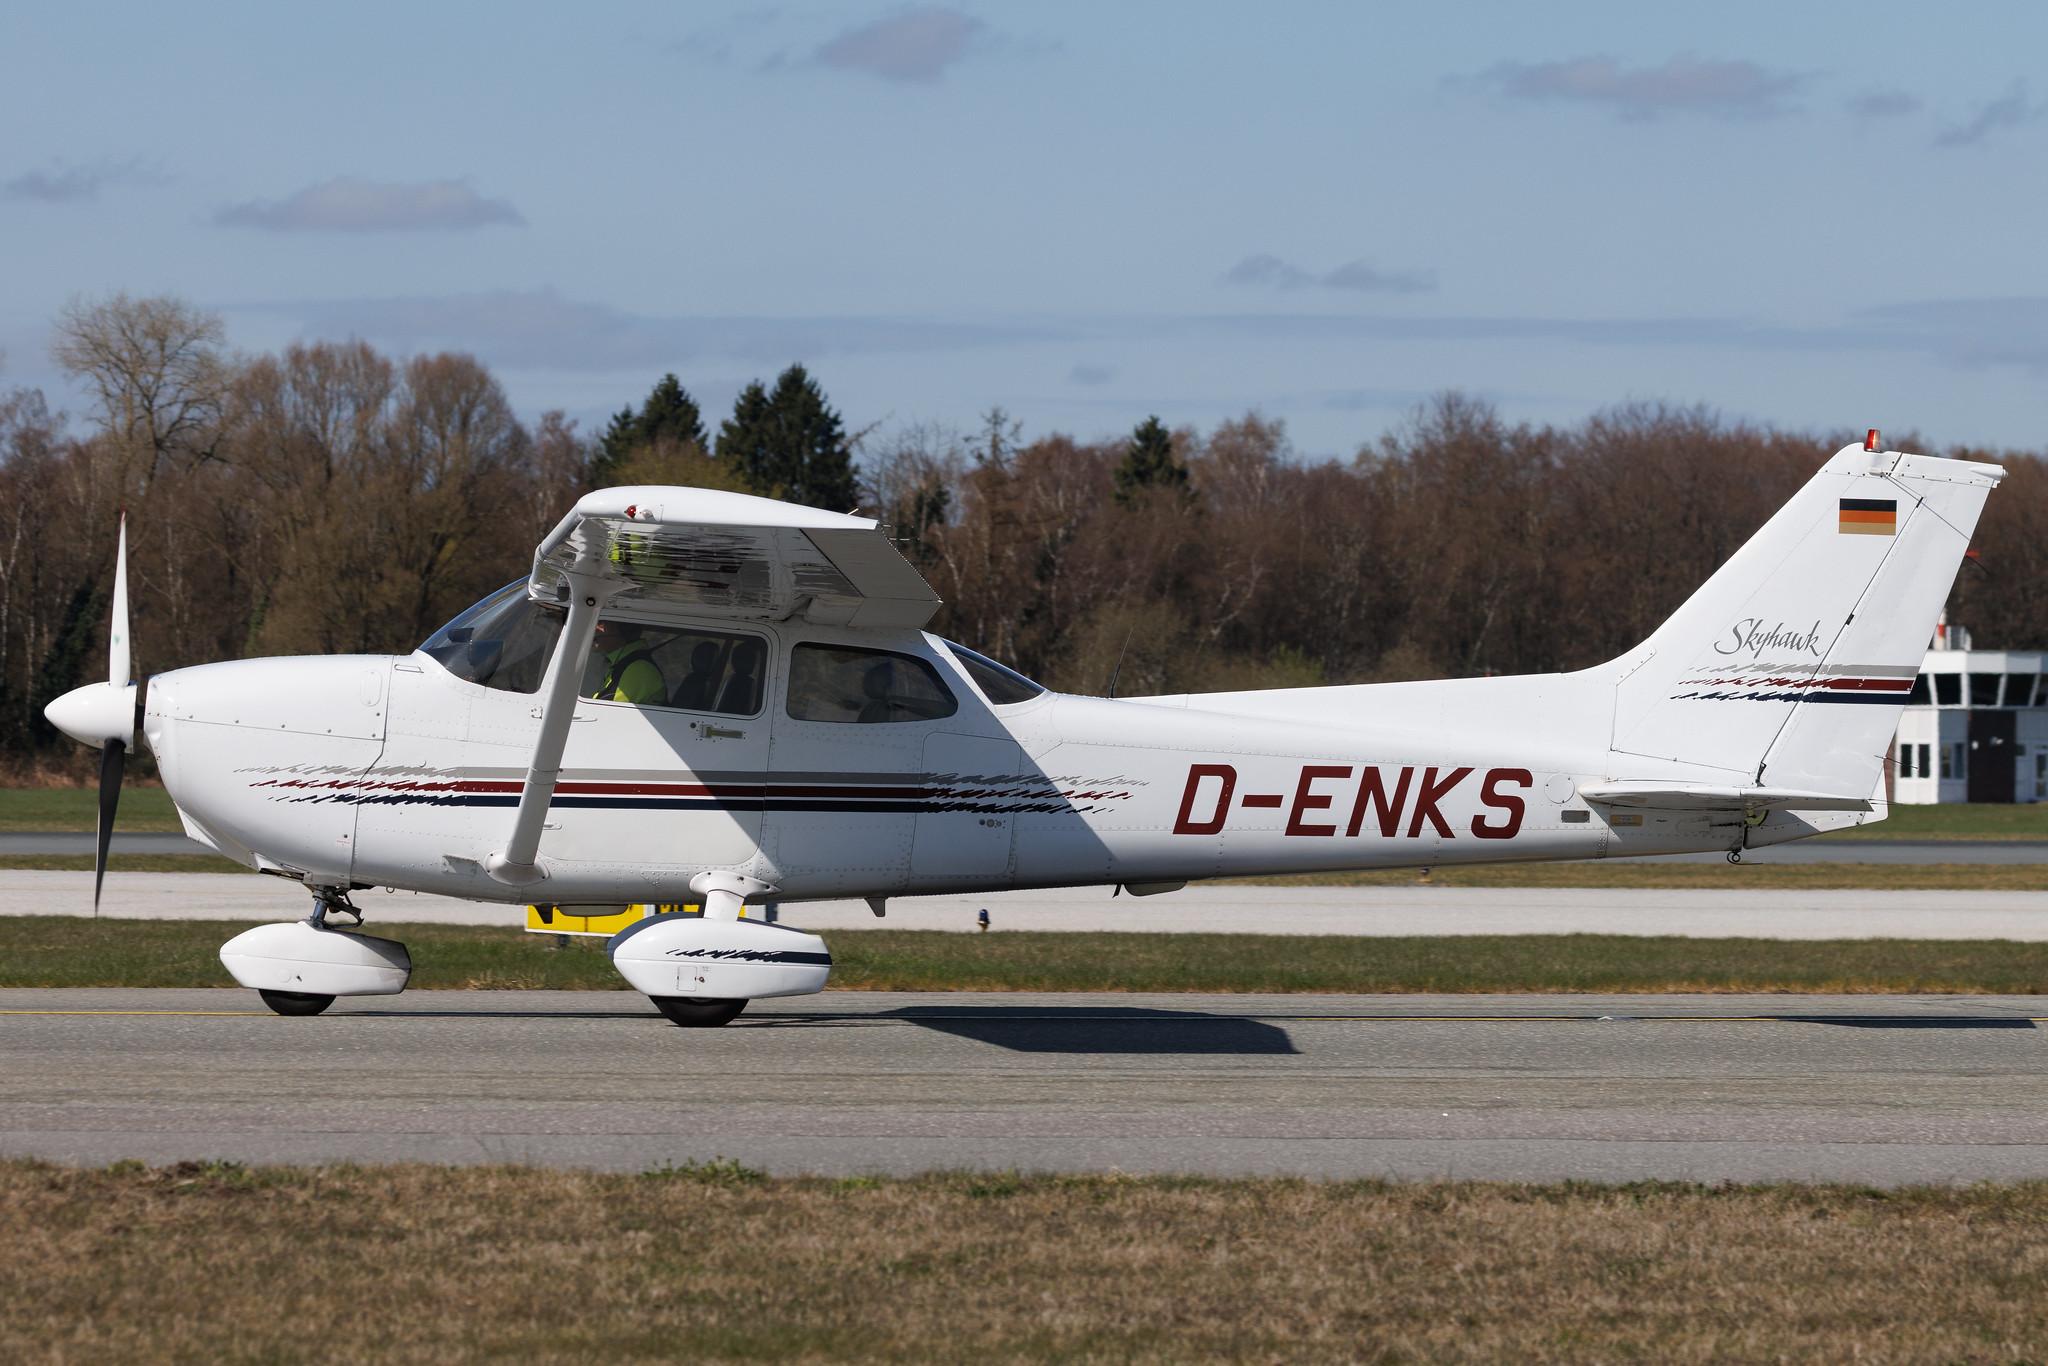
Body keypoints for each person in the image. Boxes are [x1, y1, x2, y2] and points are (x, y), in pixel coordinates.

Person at [589, 619, 666, 705]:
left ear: (624, 631)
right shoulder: (624, 663)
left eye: (601, 623)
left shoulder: (638, 669)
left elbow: (606, 712)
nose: (595, 628)